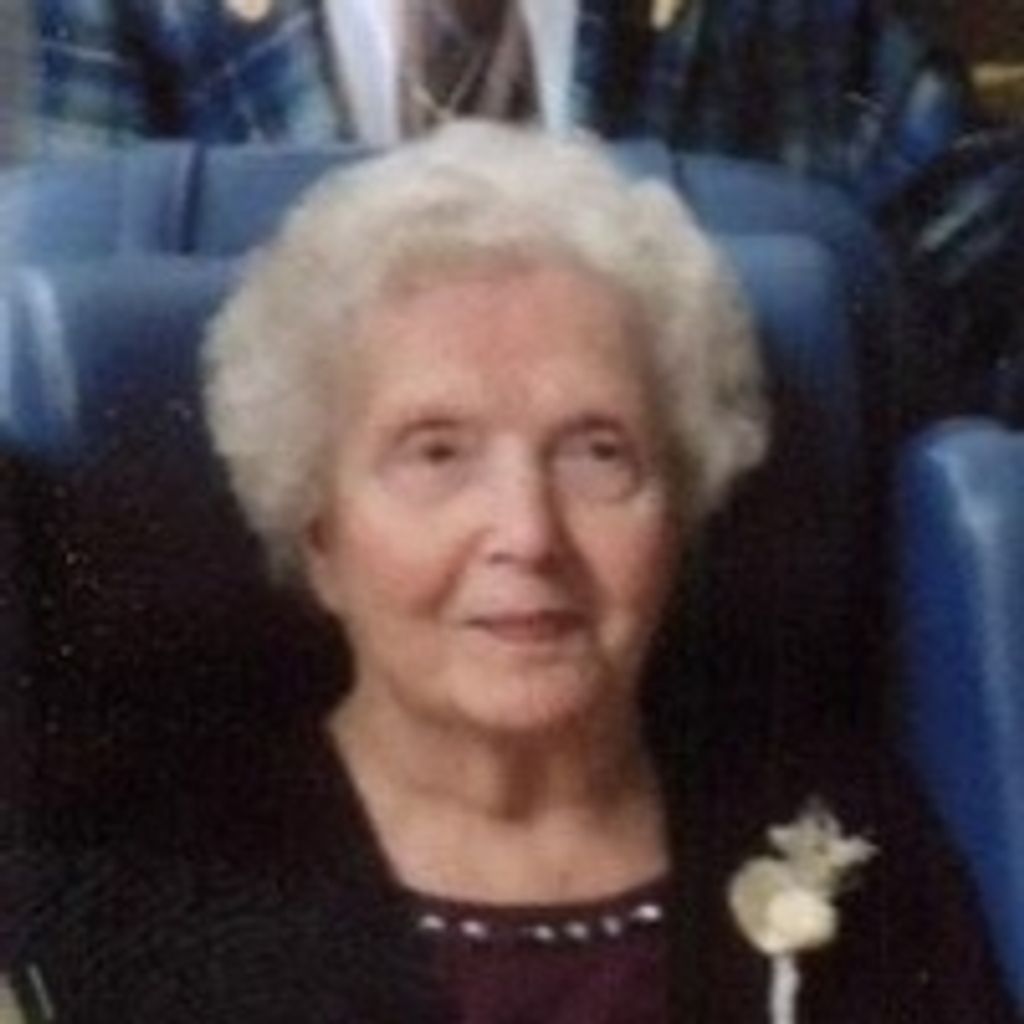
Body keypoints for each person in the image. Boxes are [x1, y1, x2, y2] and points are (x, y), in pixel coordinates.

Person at [4, 120, 1016, 1023]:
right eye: (437, 453)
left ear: (681, 506)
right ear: (318, 531)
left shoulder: (853, 837)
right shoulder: (133, 878)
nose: (527, 534)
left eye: (597, 452)